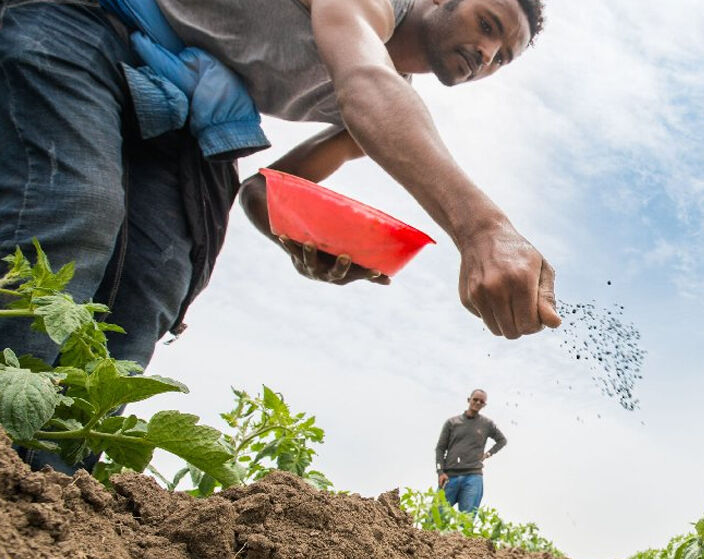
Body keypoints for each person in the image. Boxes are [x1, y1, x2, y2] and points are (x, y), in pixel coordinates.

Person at [0, 0, 560, 378]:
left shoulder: (382, 104)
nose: (487, 55)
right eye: (488, 26)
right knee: (73, 212)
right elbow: (364, 84)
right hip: (91, 24)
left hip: (189, 106)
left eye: (502, 58)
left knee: (155, 283)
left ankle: (53, 487)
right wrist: (484, 229)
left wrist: (309, 242)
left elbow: (267, 192)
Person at [435, 389, 506, 513]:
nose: (478, 402)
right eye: (475, 399)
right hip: (449, 476)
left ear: (484, 405)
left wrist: (488, 454)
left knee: (466, 521)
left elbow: (502, 440)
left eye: (481, 401)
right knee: (435, 517)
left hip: (473, 477)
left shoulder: (487, 424)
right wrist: (440, 472)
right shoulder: (452, 423)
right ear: (469, 400)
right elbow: (440, 448)